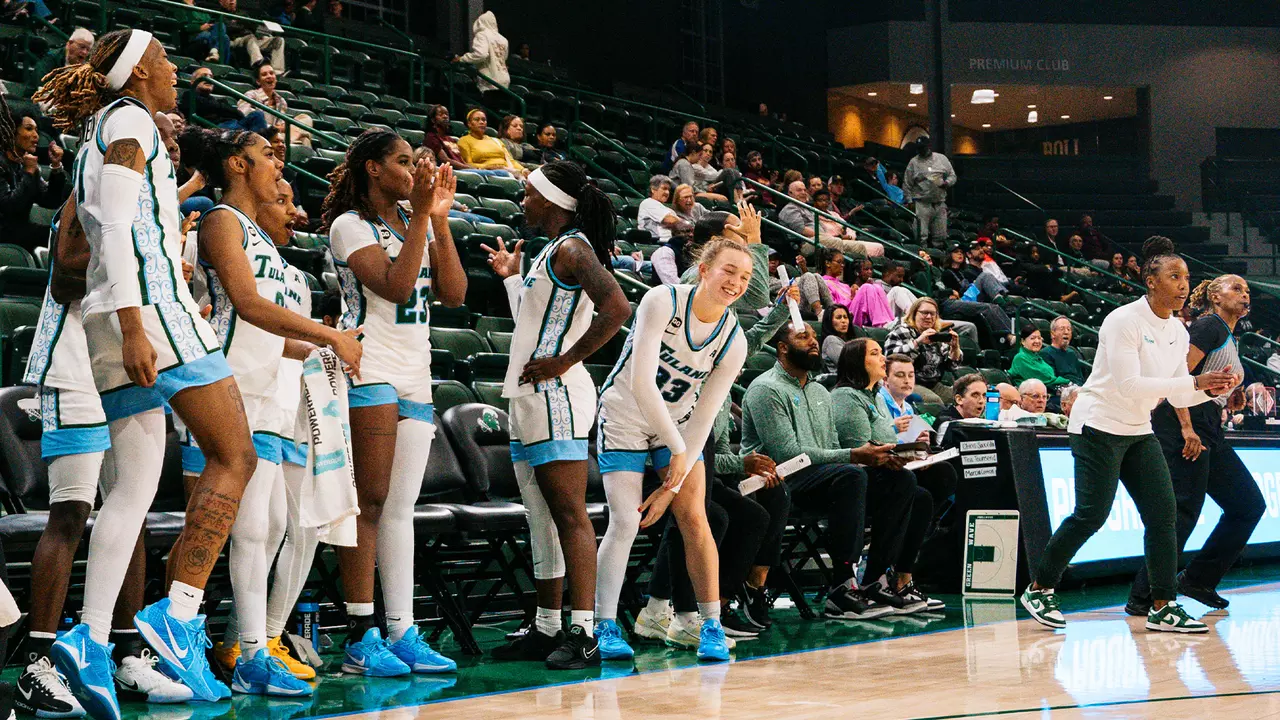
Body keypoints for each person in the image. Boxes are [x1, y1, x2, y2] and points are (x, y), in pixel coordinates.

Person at [33, 28, 258, 715]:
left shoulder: (106, 125)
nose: (172, 69)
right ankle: (178, 611)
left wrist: (121, 322)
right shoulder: (130, 123)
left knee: (129, 493)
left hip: (106, 319)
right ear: (136, 75)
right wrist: (136, 324)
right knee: (235, 454)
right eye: (162, 61)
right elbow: (122, 229)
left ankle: (91, 642)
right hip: (150, 311)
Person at [184, 127, 362, 696]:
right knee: (247, 529)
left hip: (264, 394)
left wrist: (320, 349)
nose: (276, 164)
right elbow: (246, 306)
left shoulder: (263, 239)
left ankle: (254, 646)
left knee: (272, 526)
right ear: (237, 164)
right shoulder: (220, 221)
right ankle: (234, 651)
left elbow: (269, 332)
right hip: (224, 386)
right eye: (265, 155)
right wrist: (327, 338)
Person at [17, 198, 193, 717]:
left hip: (122, 363)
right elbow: (64, 279)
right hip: (71, 362)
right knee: (70, 511)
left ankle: (124, 654)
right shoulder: (86, 196)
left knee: (130, 506)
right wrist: (127, 278)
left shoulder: (150, 210)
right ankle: (39, 661)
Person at [1020, 237, 1238, 635]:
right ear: (1151, 281)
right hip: (1098, 425)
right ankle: (1040, 587)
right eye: (1174, 276)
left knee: (1164, 516)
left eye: (1186, 277)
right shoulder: (1122, 320)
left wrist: (1208, 387)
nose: (1183, 284)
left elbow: (1175, 391)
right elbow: (1129, 384)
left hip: (1139, 430)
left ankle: (1162, 605)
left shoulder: (1177, 329)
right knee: (1092, 515)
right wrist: (1194, 380)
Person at [321, 129, 466, 675]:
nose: (414, 170)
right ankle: (361, 633)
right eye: (403, 161)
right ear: (373, 169)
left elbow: (453, 293)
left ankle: (401, 630)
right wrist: (424, 218)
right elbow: (397, 288)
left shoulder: (416, 222)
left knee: (401, 508)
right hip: (369, 366)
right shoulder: (348, 225)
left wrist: (439, 220)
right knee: (371, 501)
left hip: (416, 370)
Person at [481, 161, 629, 668]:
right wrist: (510, 280)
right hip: (529, 396)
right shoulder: (551, 252)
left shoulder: (573, 247)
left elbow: (617, 307)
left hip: (558, 394)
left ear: (551, 200)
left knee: (569, 514)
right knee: (540, 517)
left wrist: (567, 359)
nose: (522, 201)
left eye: (528, 193)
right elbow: (533, 318)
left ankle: (584, 631)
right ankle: (547, 627)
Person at [594, 239, 752, 663]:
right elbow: (643, 383)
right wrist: (679, 453)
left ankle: (710, 624)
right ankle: (604, 624)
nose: (735, 282)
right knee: (626, 520)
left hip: (679, 427)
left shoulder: (734, 341)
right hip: (626, 413)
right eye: (728, 271)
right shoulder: (660, 300)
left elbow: (705, 413)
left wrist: (676, 473)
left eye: (744, 276)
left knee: (695, 518)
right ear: (703, 269)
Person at [741, 324, 911, 619]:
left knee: (901, 480)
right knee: (852, 475)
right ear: (782, 348)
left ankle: (875, 579)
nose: (813, 342)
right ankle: (842, 586)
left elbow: (831, 445)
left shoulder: (820, 390)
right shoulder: (765, 389)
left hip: (824, 478)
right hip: (778, 480)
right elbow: (787, 454)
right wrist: (853, 456)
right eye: (803, 337)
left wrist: (874, 458)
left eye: (814, 336)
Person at [1128, 274, 1265, 615]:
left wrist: (1228, 399)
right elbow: (1176, 376)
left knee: (1247, 504)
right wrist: (1188, 428)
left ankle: (1198, 579)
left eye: (1247, 290)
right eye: (1236, 288)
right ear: (1216, 297)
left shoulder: (1228, 334)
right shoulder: (1208, 326)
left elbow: (1206, 382)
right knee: (1183, 510)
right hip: (1182, 423)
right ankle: (1145, 596)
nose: (1244, 293)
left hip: (1208, 423)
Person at [830, 339, 950, 612]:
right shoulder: (846, 397)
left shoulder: (872, 397)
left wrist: (914, 452)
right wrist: (901, 451)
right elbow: (862, 448)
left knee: (925, 495)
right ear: (857, 362)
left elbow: (884, 439)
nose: (882, 358)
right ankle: (866, 578)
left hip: (871, 476)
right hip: (849, 480)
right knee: (905, 484)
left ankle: (894, 577)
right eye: (875, 354)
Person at [0, 99, 68, 251]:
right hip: (4, 231)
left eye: (36, 130)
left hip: (19, 231)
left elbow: (51, 200)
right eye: (29, 129)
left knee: (61, 235)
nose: (36, 136)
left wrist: (56, 167)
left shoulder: (25, 164)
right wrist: (29, 172)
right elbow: (10, 207)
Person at [885, 297, 961, 405]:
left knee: (964, 399)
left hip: (934, 384)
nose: (929, 317)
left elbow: (952, 366)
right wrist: (917, 342)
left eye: (933, 314)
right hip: (907, 383)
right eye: (925, 313)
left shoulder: (936, 335)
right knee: (934, 402)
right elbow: (892, 359)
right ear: (914, 314)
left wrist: (955, 348)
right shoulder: (902, 331)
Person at [903, 136, 955, 247]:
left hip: (939, 202)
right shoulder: (914, 162)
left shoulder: (941, 159)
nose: (921, 150)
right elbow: (907, 184)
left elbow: (952, 175)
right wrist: (909, 201)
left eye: (923, 147)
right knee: (921, 236)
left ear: (929, 146)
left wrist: (947, 183)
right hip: (922, 203)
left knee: (940, 237)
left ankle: (937, 261)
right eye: (919, 148)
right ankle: (923, 260)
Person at [182, 68, 270, 133]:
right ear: (193, 81)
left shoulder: (212, 99)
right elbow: (208, 106)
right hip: (218, 128)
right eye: (204, 76)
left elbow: (239, 114)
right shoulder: (188, 95)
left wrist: (221, 106)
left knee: (257, 115)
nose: (208, 79)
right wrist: (223, 106)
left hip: (234, 125)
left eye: (211, 76)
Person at [218, 0, 286, 73]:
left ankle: (277, 71)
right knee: (250, 38)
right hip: (235, 40)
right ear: (221, 2)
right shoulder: (219, 14)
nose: (232, 1)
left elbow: (253, 26)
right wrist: (242, 23)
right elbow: (226, 28)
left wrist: (260, 32)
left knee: (278, 40)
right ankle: (259, 63)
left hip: (252, 40)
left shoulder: (242, 13)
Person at [455, 11, 510, 98]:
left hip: (490, 79)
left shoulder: (482, 35)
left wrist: (462, 58)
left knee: (487, 108)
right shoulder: (503, 39)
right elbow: (504, 58)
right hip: (504, 80)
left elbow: (481, 54)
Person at [456, 108, 525, 177]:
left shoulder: (496, 140)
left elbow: (511, 161)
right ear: (469, 124)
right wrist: (489, 166)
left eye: (484, 120)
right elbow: (468, 164)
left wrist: (523, 170)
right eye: (477, 119)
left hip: (509, 170)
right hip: (489, 173)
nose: (481, 122)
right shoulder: (464, 141)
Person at [1008, 325, 1070, 393]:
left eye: (1039, 338)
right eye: (1033, 338)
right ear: (1023, 341)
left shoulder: (1038, 357)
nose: (1037, 341)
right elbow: (1044, 379)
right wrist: (1067, 382)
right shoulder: (1020, 358)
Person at [237, 60, 288, 126]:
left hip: (275, 134)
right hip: (256, 133)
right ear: (258, 81)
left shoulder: (282, 101)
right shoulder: (250, 96)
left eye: (271, 73)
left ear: (276, 79)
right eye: (264, 74)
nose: (269, 76)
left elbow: (281, 125)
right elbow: (245, 118)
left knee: (304, 118)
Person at [1042, 316, 1086, 387]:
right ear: (1052, 334)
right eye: (1062, 329)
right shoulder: (1046, 353)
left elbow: (1080, 378)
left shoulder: (1072, 353)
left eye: (1069, 329)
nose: (1066, 332)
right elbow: (1052, 381)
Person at [637, 174, 679, 243]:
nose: (667, 192)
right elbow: (671, 220)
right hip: (654, 244)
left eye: (668, 189)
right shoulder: (648, 203)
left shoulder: (668, 210)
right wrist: (686, 225)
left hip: (668, 243)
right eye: (664, 188)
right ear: (653, 189)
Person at [821, 305, 853, 373]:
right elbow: (850, 365)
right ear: (829, 321)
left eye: (845, 317)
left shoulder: (850, 341)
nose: (843, 321)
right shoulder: (830, 341)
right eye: (838, 318)